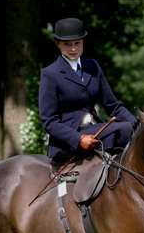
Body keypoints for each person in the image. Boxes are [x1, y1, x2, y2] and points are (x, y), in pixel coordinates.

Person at [38, 18, 136, 164]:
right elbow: (49, 121)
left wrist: (139, 125)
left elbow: (113, 105)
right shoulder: (50, 73)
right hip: (70, 139)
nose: (73, 49)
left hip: (96, 130)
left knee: (130, 128)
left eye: (77, 43)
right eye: (67, 44)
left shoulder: (92, 66)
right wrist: (78, 139)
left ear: (83, 42)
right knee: (124, 129)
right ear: (57, 44)